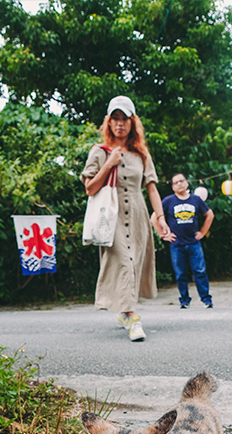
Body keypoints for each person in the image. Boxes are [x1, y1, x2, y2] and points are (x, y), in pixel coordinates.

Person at [81, 96, 169, 341]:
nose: (120, 124)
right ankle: (133, 317)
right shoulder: (99, 152)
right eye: (115, 119)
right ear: (108, 123)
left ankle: (124, 312)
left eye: (125, 119)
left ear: (132, 123)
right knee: (124, 262)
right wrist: (109, 163)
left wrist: (160, 218)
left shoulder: (142, 155)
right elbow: (89, 188)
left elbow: (151, 187)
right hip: (112, 217)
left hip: (139, 215)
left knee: (133, 264)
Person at [152, 173, 214, 309]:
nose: (179, 184)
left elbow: (209, 214)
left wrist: (203, 232)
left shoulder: (196, 200)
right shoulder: (168, 201)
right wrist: (163, 235)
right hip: (176, 244)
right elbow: (153, 218)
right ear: (173, 186)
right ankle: (184, 300)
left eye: (181, 181)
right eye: (176, 182)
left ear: (187, 183)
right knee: (180, 274)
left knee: (200, 271)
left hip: (194, 243)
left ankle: (206, 300)